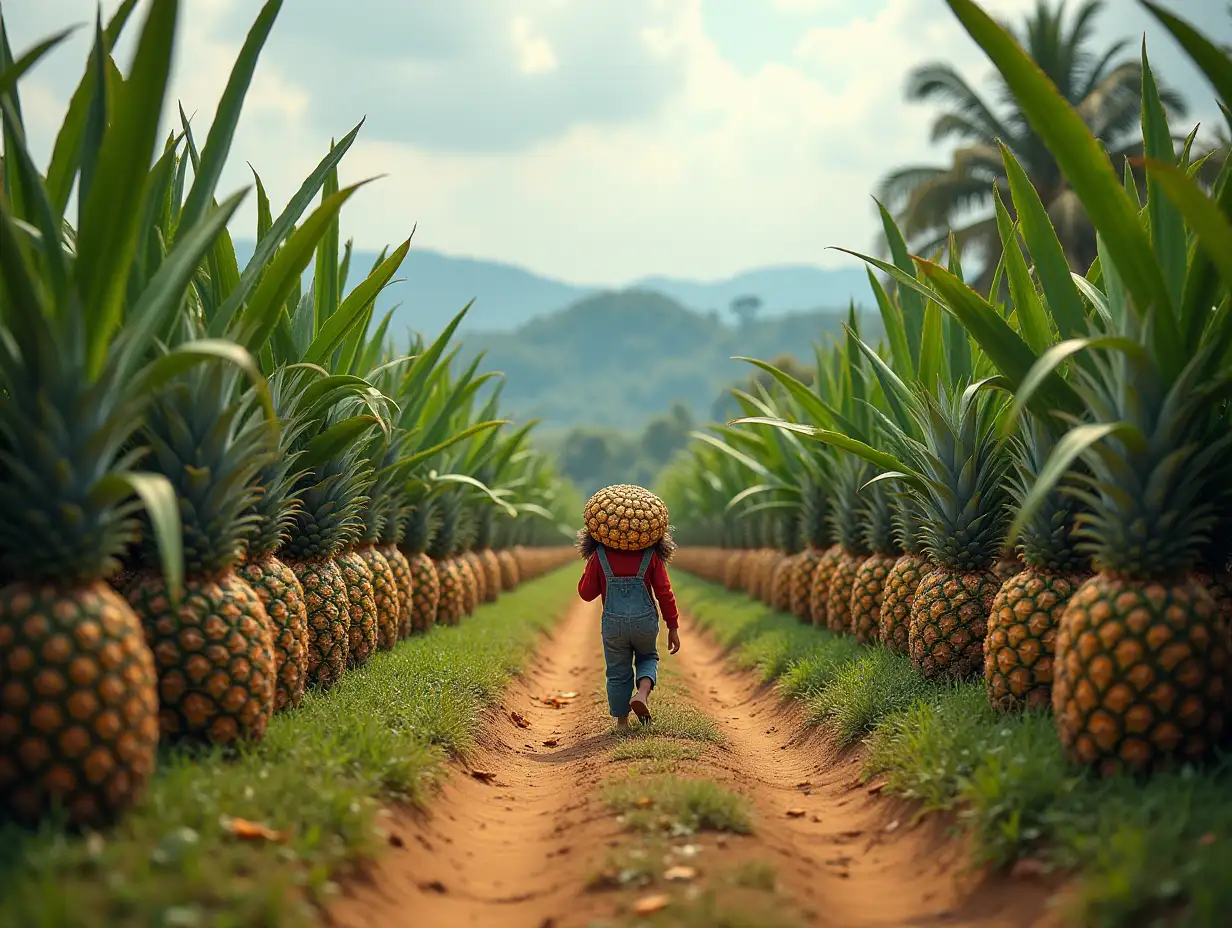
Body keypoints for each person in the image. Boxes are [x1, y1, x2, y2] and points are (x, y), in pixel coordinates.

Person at [577, 485, 680, 728]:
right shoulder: (651, 556)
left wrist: (590, 567)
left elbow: (586, 594)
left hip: (613, 624)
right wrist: (673, 626)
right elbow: (665, 593)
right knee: (648, 656)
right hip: (645, 622)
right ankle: (642, 694)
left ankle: (622, 723)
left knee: (617, 670)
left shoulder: (600, 556)